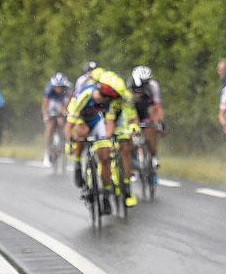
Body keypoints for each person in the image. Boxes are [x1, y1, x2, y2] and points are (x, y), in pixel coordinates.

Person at [67, 70, 136, 213]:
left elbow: (109, 122)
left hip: (98, 122)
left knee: (105, 157)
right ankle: (78, 163)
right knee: (82, 133)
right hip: (81, 119)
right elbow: (70, 124)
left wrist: (108, 139)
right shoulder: (86, 95)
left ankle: (106, 194)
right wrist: (69, 141)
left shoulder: (110, 101)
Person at [129, 65, 164, 172]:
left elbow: (157, 105)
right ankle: (133, 159)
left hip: (146, 109)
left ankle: (153, 156)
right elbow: (127, 109)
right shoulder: (129, 86)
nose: (145, 84)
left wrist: (160, 122)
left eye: (147, 81)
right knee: (129, 135)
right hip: (132, 109)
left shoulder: (153, 85)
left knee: (151, 129)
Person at [42, 73, 71, 165]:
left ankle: (64, 143)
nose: (58, 89)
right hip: (52, 106)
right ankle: (47, 151)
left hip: (62, 105)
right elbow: (45, 105)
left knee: (62, 123)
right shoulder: (49, 90)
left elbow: (67, 104)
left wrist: (64, 113)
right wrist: (46, 115)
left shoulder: (67, 90)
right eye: (56, 87)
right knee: (50, 127)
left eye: (60, 87)